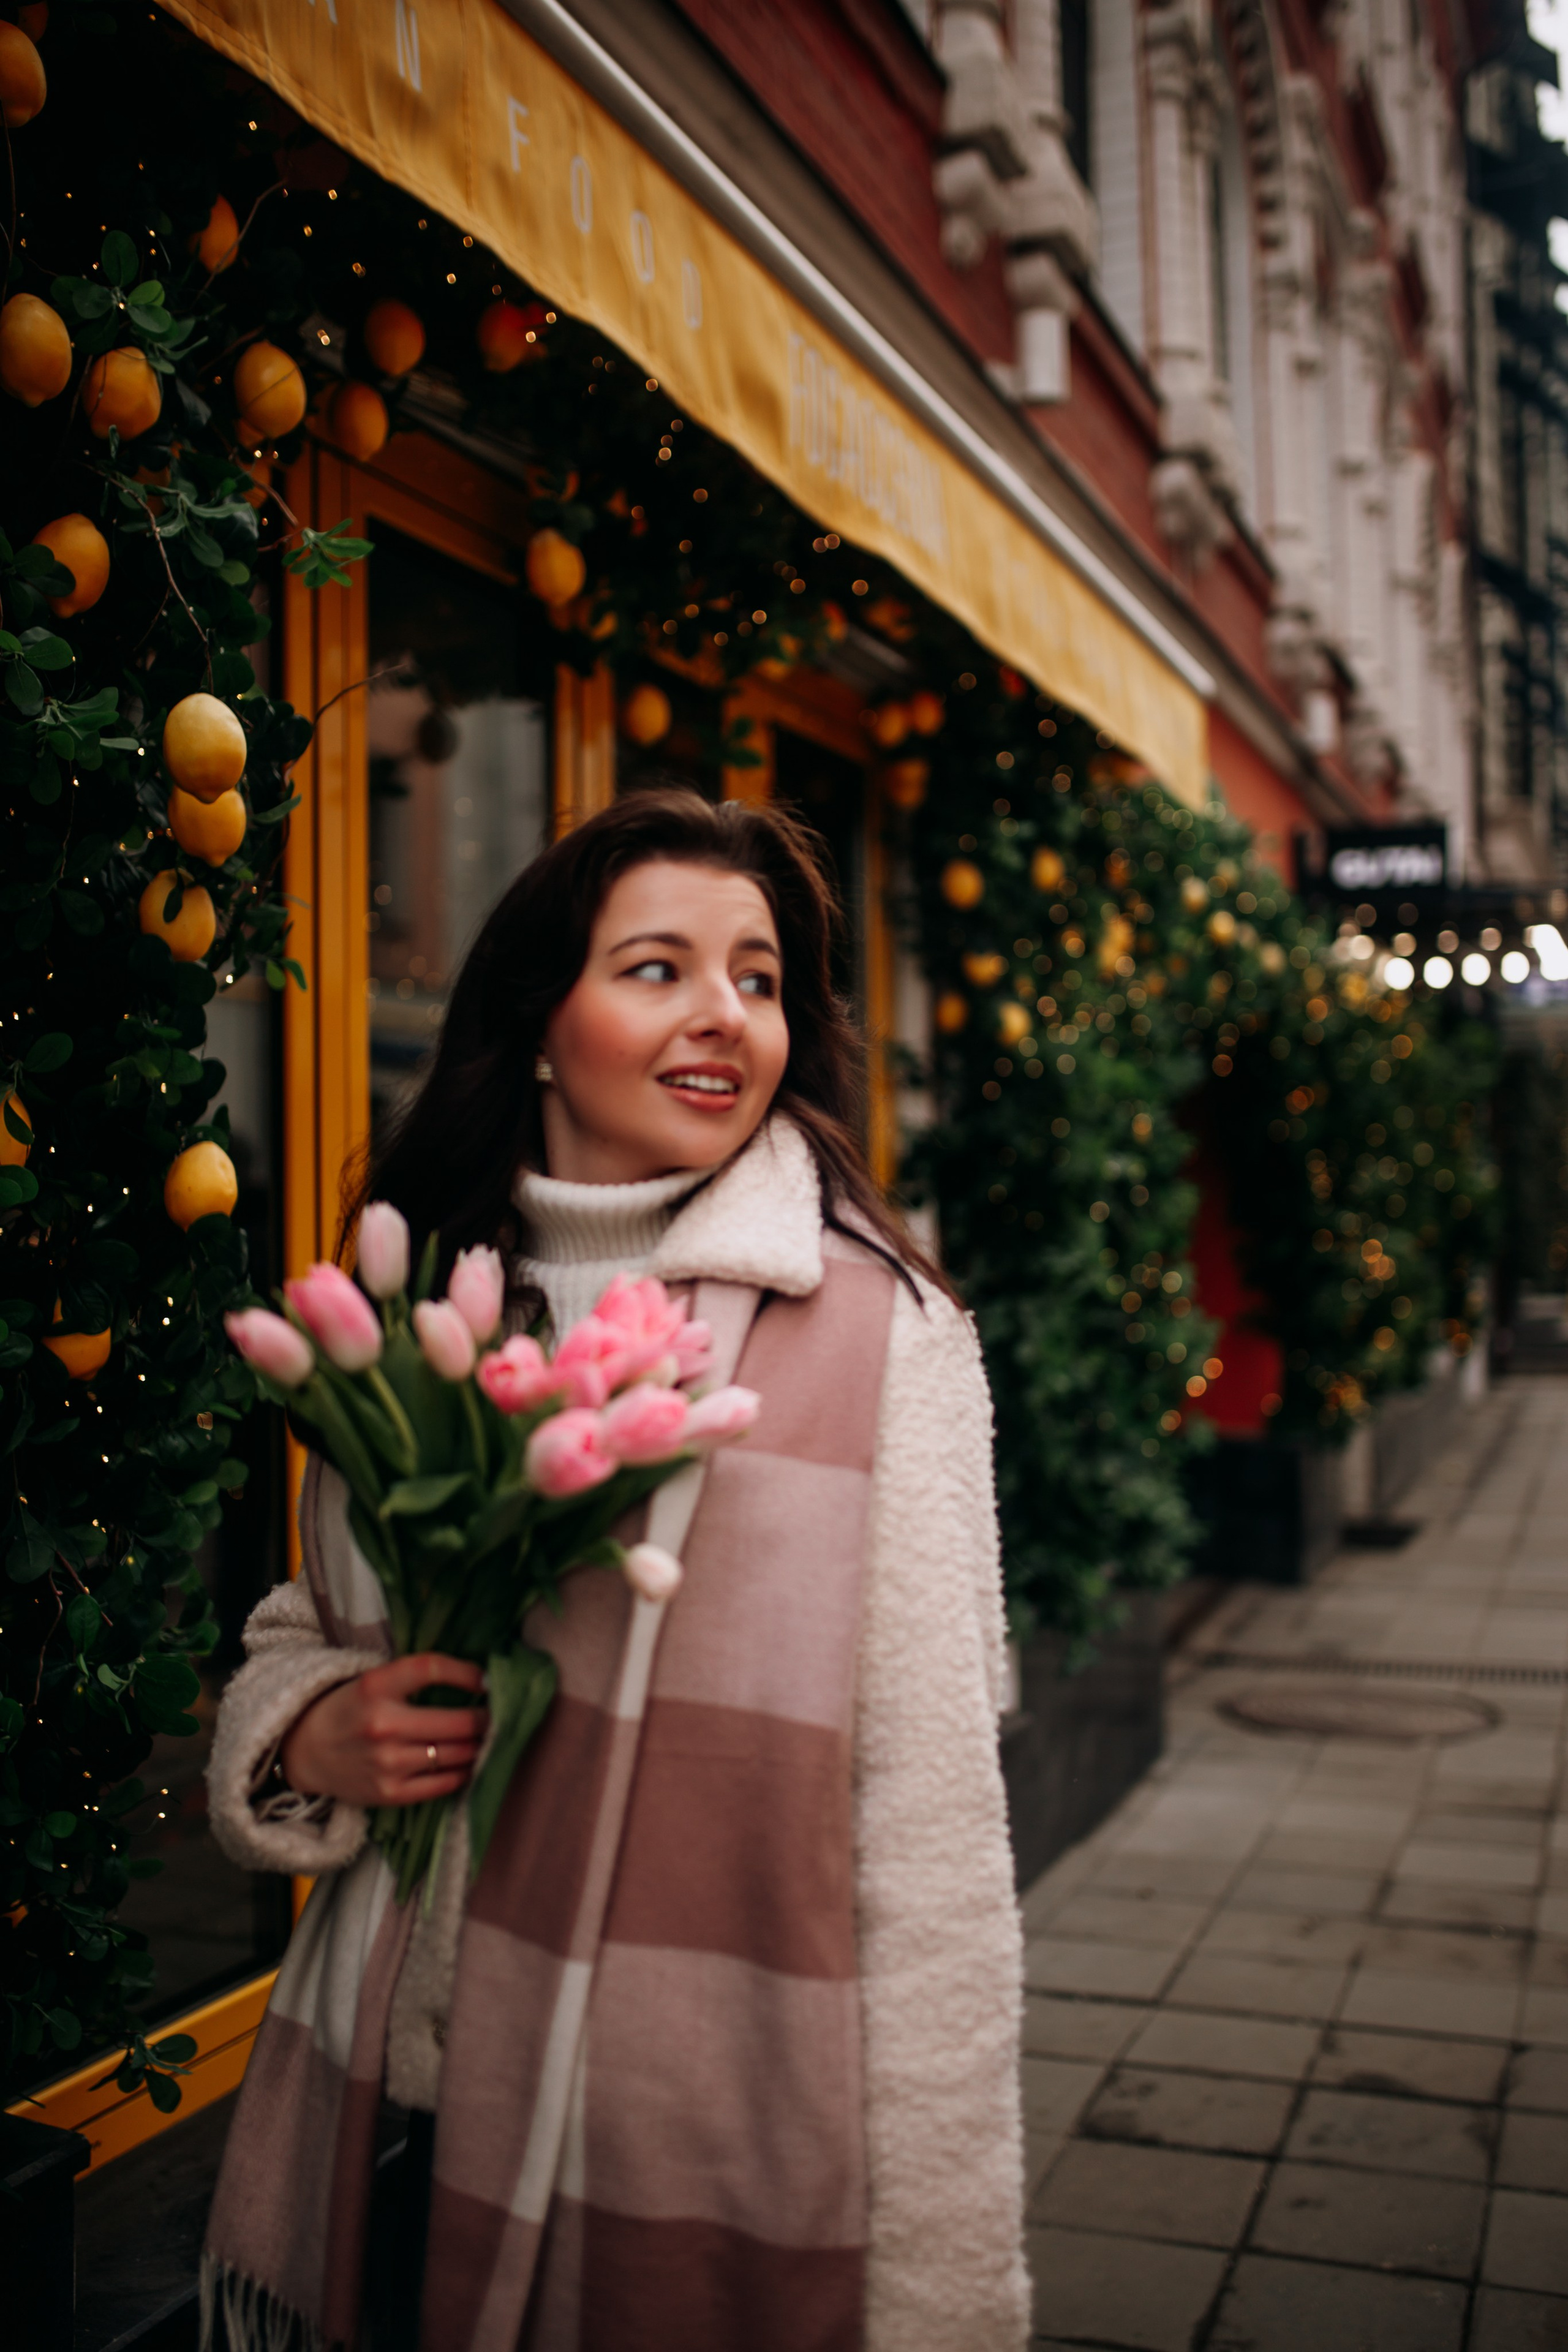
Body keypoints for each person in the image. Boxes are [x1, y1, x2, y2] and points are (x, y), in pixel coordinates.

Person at [202, 788, 1027, 2352]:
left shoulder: (878, 1334)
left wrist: (938, 2299)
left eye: (759, 978)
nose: (724, 1015)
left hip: (684, 2148)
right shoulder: (417, 1312)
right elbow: (297, 1626)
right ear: (534, 1022)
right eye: (659, 967)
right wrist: (310, 1726)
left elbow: (927, 1843)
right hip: (394, 2118)